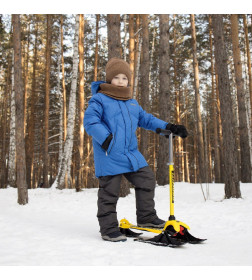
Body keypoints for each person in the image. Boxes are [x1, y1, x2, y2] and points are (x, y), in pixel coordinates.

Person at [84, 57, 187, 242]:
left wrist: (169, 126)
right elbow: (90, 122)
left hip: (130, 154)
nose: (121, 81)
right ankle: (108, 229)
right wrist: (107, 139)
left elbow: (146, 119)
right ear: (109, 79)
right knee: (110, 192)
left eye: (125, 78)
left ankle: (146, 217)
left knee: (146, 179)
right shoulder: (99, 99)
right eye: (117, 77)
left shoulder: (131, 102)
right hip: (109, 154)